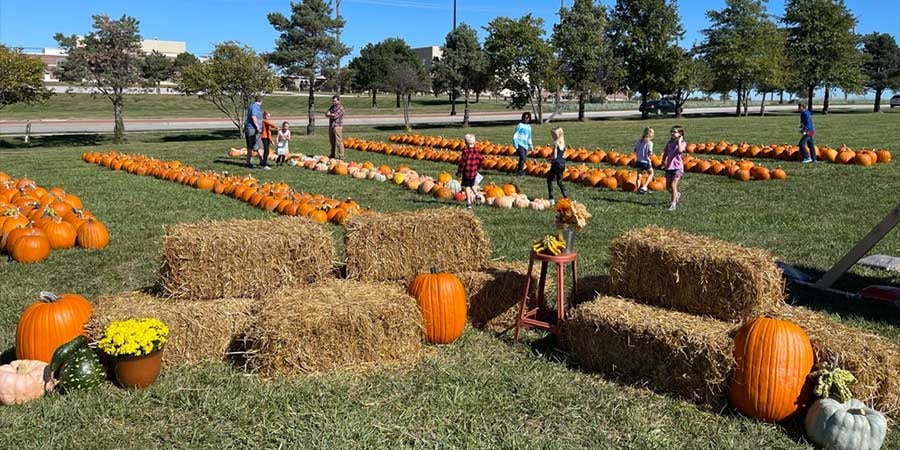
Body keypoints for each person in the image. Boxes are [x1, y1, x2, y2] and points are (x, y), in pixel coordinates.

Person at [660, 125, 686, 211]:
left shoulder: (683, 143)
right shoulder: (669, 143)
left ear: (680, 134)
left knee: (673, 185)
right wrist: (663, 161)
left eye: (674, 132)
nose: (672, 133)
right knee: (668, 187)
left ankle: (673, 204)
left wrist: (679, 141)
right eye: (672, 131)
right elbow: (665, 153)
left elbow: (680, 150)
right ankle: (676, 194)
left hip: (678, 168)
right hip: (669, 167)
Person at [456, 133, 484, 209]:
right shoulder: (476, 150)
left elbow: (462, 163)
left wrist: (459, 172)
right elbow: (481, 159)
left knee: (467, 187)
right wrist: (478, 167)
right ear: (474, 142)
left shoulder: (465, 152)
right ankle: (477, 195)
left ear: (465, 143)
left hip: (466, 173)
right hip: (474, 172)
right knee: (472, 185)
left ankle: (468, 203)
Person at [547, 127, 568, 204]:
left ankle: (551, 198)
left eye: (553, 135)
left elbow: (555, 156)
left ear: (558, 135)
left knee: (549, 180)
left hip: (556, 164)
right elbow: (563, 155)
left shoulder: (556, 143)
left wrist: (549, 158)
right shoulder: (563, 144)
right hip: (562, 164)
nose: (552, 136)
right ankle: (565, 196)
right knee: (559, 181)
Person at [634, 127, 655, 193]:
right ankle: (644, 186)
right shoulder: (650, 143)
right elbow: (650, 152)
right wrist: (651, 155)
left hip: (638, 161)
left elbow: (635, 150)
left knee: (639, 175)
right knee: (651, 173)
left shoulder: (639, 141)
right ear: (651, 135)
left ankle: (637, 189)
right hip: (646, 161)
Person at [244, 96, 263, 168]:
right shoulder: (255, 107)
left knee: (250, 146)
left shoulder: (252, 106)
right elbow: (253, 116)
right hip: (253, 129)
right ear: (261, 101)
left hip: (249, 128)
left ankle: (248, 163)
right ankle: (262, 163)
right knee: (258, 146)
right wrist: (257, 126)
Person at [512, 112, 533, 176]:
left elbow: (529, 137)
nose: (525, 119)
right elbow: (515, 135)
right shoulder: (520, 125)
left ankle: (518, 169)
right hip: (519, 144)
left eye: (527, 118)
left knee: (523, 159)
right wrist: (515, 144)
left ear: (529, 118)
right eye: (524, 117)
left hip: (525, 145)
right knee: (522, 157)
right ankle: (520, 171)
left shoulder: (529, 127)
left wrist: (531, 145)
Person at [325, 95, 345, 160]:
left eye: (335, 101)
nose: (334, 102)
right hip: (331, 126)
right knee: (332, 141)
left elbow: (335, 116)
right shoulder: (332, 107)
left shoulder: (341, 108)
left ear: (339, 101)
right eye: (333, 101)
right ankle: (332, 154)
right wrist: (330, 114)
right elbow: (326, 114)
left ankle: (341, 155)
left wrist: (330, 115)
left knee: (339, 141)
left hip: (337, 126)